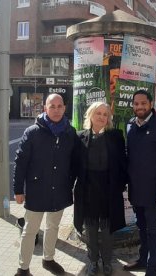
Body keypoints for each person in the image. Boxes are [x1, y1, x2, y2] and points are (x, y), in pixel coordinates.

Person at [13, 93, 80, 276]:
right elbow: (21, 162)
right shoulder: (33, 132)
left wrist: (70, 184)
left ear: (65, 108)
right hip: (37, 190)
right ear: (45, 109)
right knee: (30, 230)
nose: (56, 110)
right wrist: (18, 190)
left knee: (53, 227)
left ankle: (48, 259)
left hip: (60, 189)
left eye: (60, 106)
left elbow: (74, 162)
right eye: (52, 106)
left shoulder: (70, 132)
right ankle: (23, 268)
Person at [124, 90, 156, 276]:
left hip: (155, 194)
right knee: (142, 228)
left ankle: (151, 270)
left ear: (150, 104)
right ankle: (142, 260)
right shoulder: (130, 126)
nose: (139, 107)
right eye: (136, 103)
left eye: (143, 103)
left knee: (153, 231)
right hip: (136, 191)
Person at [74, 102, 127, 276]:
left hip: (108, 192)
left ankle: (106, 261)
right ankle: (93, 262)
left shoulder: (116, 136)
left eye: (106, 114)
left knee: (107, 231)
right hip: (88, 192)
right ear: (90, 115)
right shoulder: (80, 136)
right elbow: (73, 167)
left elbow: (122, 165)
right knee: (90, 230)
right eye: (99, 113)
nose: (102, 117)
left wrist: (120, 186)